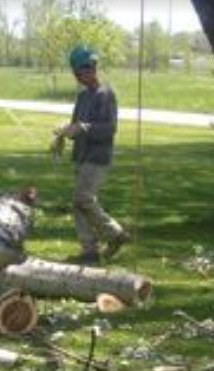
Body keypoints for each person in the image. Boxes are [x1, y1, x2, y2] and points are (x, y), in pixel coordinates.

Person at [52, 45, 130, 264]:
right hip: (81, 156)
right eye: (76, 73)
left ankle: (116, 234)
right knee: (79, 204)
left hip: (97, 158)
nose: (79, 76)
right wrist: (63, 134)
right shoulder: (82, 97)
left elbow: (109, 128)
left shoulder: (106, 95)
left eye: (82, 71)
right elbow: (77, 127)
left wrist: (82, 128)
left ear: (92, 68)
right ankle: (89, 250)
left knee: (83, 199)